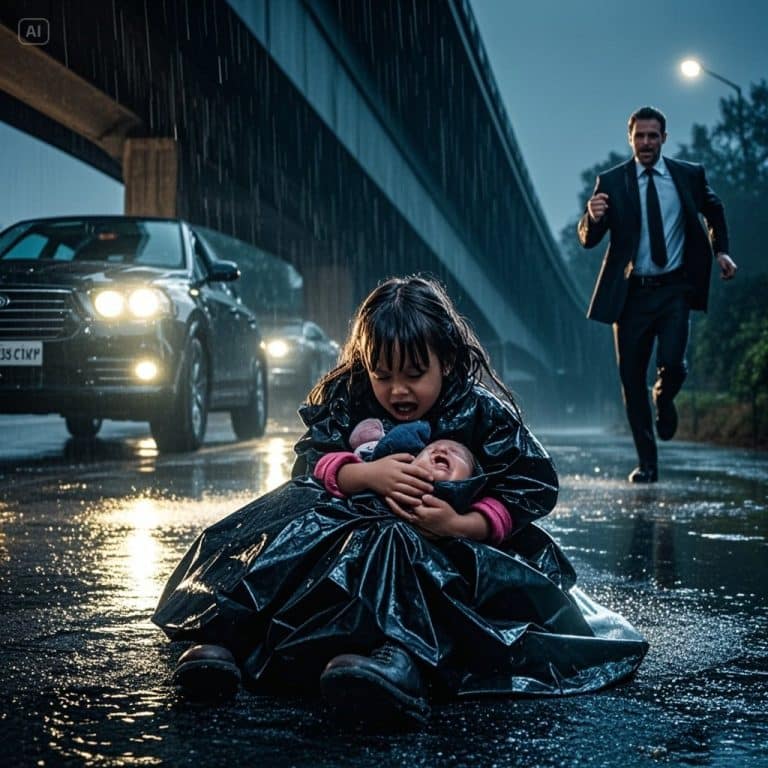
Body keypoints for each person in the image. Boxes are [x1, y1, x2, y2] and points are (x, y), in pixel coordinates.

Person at [153, 275, 647, 725]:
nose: (398, 390)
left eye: (414, 373)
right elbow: (310, 463)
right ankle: (225, 641)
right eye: (383, 374)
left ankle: (399, 659)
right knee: (284, 524)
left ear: (446, 360)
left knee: (396, 548)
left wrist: (463, 524)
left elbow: (531, 483)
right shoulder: (349, 395)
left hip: (444, 548)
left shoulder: (480, 410)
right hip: (348, 530)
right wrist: (364, 473)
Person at [577, 105, 737, 484]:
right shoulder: (612, 182)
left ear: (664, 138)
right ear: (630, 138)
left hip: (674, 290)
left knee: (674, 364)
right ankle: (648, 464)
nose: (646, 142)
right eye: (640, 136)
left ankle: (663, 397)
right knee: (632, 380)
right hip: (632, 295)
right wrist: (592, 218)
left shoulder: (688, 175)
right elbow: (588, 239)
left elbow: (714, 210)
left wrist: (722, 252)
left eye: (653, 136)